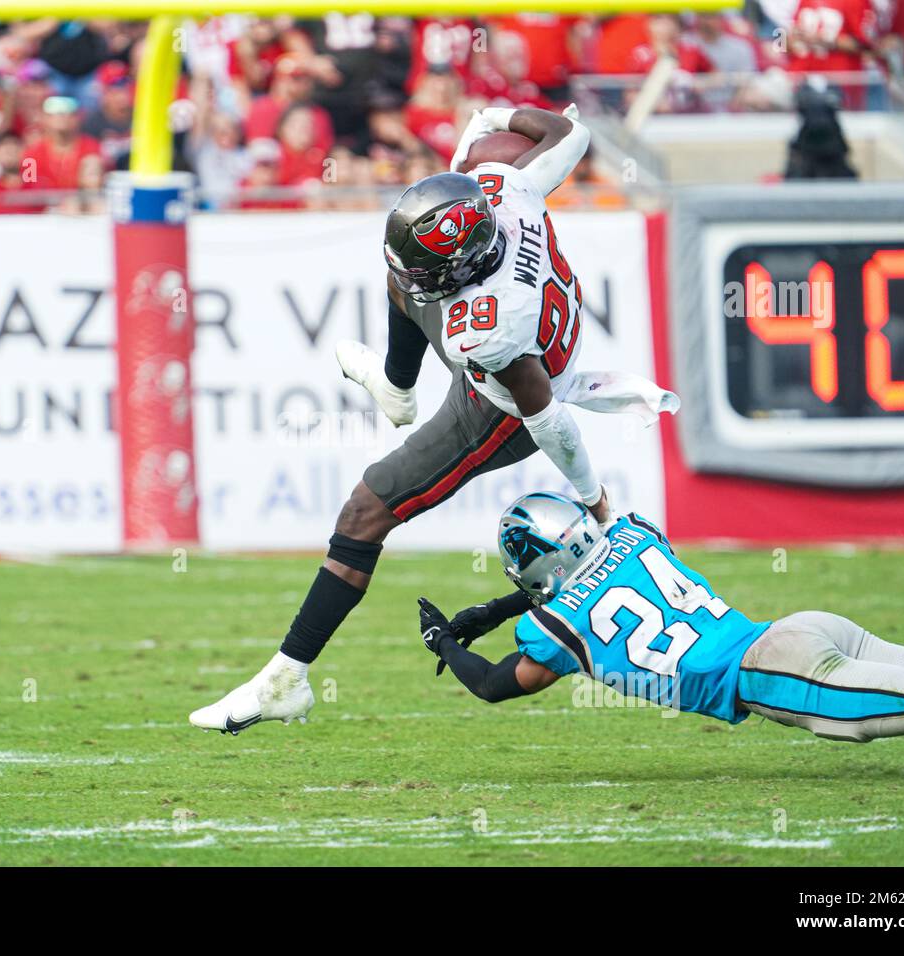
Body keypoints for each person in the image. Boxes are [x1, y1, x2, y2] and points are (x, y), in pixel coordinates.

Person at [189, 104, 678, 734]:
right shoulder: (505, 184)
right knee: (400, 281)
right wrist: (494, 114)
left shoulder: (489, 329)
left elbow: (549, 421)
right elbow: (570, 133)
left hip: (497, 408)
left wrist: (597, 501)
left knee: (364, 514)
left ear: (465, 267)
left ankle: (287, 678)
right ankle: (397, 390)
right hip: (526, 338)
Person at [415, 491, 904, 744]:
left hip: (770, 672)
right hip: (802, 630)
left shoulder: (553, 629)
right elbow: (590, 578)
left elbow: (493, 684)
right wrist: (491, 612)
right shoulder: (633, 532)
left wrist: (444, 641)